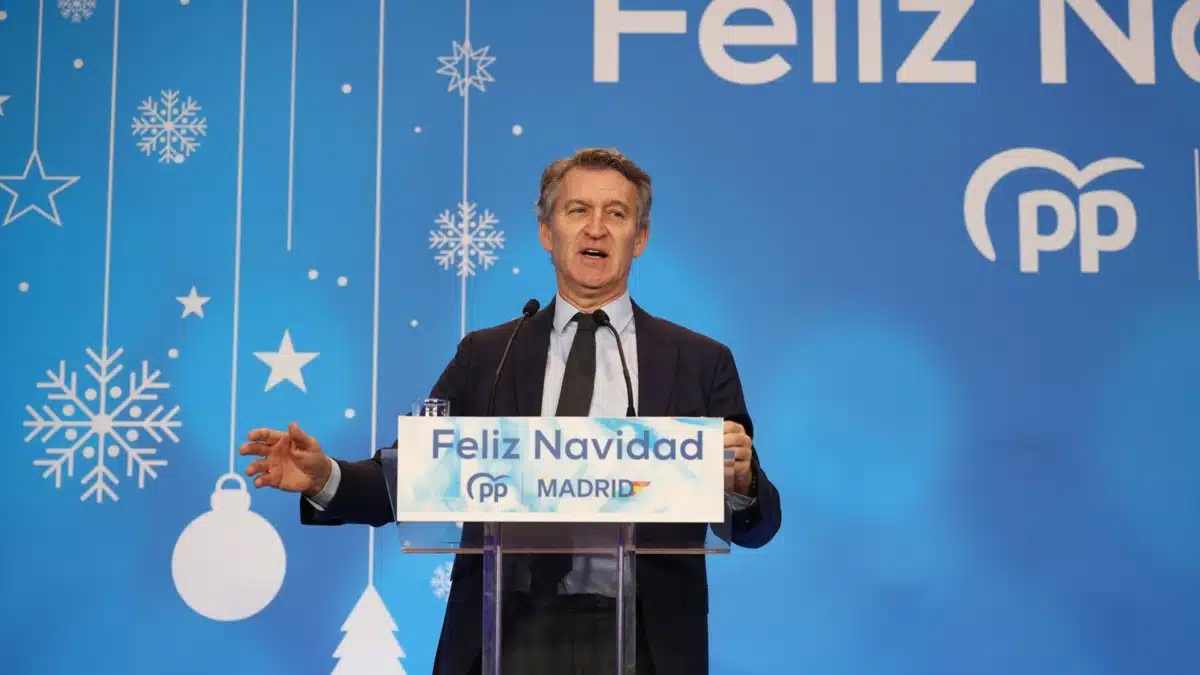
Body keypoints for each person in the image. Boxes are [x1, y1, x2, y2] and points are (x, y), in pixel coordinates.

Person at [239, 148, 782, 674]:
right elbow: (413, 474)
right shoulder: (488, 356)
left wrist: (741, 484)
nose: (596, 229)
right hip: (505, 632)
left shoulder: (699, 361)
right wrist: (325, 477)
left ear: (639, 238)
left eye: (616, 214)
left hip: (646, 642)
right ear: (547, 232)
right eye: (578, 210)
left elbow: (758, 523)